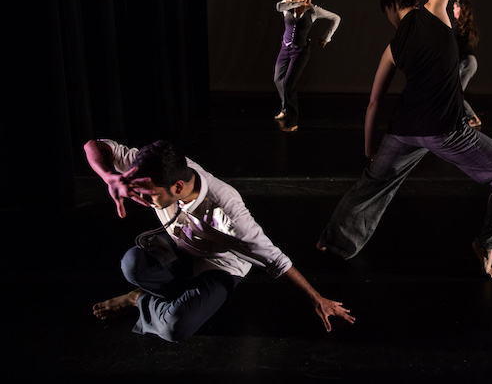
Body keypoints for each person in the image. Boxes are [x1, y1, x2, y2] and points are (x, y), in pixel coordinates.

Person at [316, 0, 492, 279]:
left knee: (371, 185)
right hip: (445, 130)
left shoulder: (391, 48)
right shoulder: (436, 11)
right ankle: (487, 242)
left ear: (390, 7)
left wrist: (371, 147)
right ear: (415, 0)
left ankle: (330, 242)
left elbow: (373, 103)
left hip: (403, 132)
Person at [86, 139, 355, 342]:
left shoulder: (227, 216)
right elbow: (95, 146)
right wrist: (109, 176)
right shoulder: (153, 170)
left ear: (177, 188)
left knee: (175, 327)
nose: (140, 199)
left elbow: (276, 260)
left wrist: (318, 299)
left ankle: (139, 300)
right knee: (133, 264)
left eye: (149, 196)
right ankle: (166, 290)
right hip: (180, 247)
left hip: (219, 265)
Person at [274, 0, 341, 132]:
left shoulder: (313, 10)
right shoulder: (287, 5)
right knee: (278, 79)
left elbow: (336, 18)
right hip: (285, 48)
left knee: (289, 84)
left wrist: (327, 38)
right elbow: (278, 7)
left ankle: (293, 121)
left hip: (300, 51)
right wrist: (296, 2)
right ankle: (285, 109)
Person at [453, 0, 481, 128]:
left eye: (454, 8)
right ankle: (465, 117)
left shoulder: (460, 27)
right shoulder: (464, 26)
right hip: (469, 62)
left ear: (460, 9)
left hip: (467, 62)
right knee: (454, 92)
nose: (453, 10)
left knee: (455, 93)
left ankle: (472, 117)